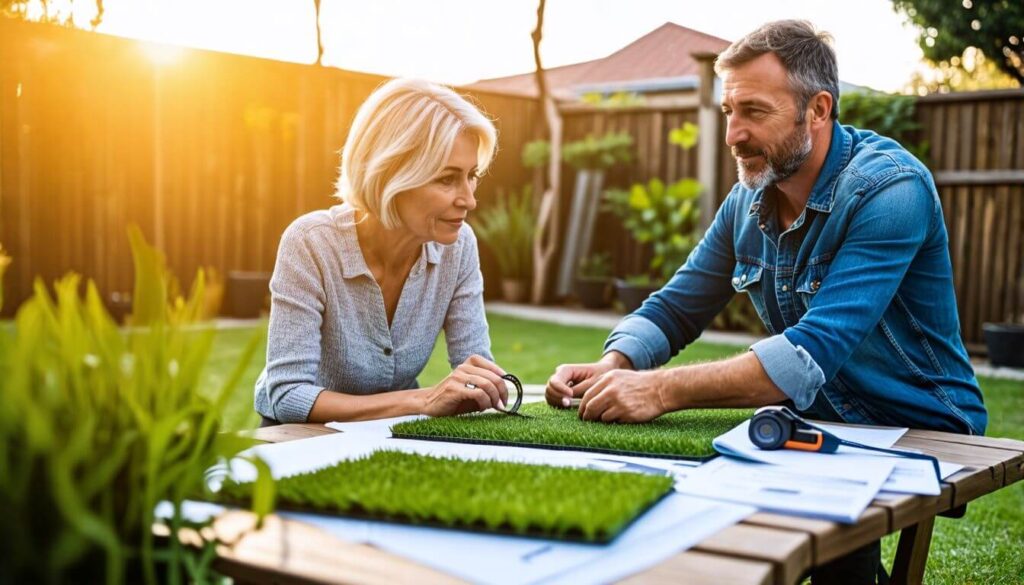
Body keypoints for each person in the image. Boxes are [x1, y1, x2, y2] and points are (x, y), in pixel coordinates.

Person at [545, 20, 986, 584]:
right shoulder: (749, 200)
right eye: (729, 111)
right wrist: (613, 368)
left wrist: (656, 389)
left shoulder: (890, 189)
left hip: (922, 420)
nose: (732, 134)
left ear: (818, 109)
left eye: (753, 111)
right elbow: (677, 306)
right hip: (821, 418)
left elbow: (811, 354)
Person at [254, 78, 510, 425]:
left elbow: (475, 365)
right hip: (299, 434)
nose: (469, 199)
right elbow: (287, 395)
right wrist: (422, 399)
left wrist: (491, 386)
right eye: (448, 179)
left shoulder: (459, 246)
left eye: (471, 176)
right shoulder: (311, 243)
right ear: (391, 175)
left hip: (392, 426)